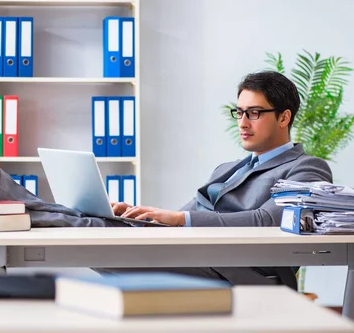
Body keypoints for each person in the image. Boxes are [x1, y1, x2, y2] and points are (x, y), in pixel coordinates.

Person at [98, 70, 333, 288]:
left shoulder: (307, 167)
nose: (242, 123)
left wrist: (179, 218)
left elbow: (267, 220)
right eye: (240, 112)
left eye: (254, 113)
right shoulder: (227, 169)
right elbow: (182, 218)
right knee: (95, 224)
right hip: (196, 255)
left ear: (283, 118)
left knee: (104, 249)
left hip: (238, 272)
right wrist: (140, 217)